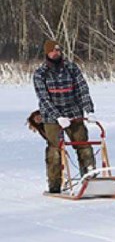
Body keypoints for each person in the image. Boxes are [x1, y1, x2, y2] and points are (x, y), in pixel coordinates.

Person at [32, 39, 97, 194]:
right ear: (47, 53)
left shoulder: (71, 68)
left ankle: (90, 180)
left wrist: (89, 110)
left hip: (74, 112)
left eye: (58, 50)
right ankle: (54, 185)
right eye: (53, 51)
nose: (56, 53)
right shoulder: (40, 73)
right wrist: (57, 117)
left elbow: (82, 88)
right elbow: (43, 98)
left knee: (84, 146)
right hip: (52, 116)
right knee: (55, 150)